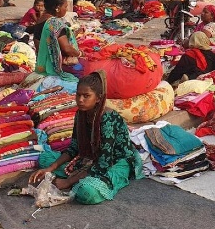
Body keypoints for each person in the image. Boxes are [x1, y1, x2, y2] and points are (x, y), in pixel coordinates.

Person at [30, 72, 143, 204]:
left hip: (115, 161)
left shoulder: (108, 118)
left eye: (86, 96)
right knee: (45, 159)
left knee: (86, 193)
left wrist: (68, 182)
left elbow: (104, 163)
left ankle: (79, 181)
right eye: (78, 95)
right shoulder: (81, 114)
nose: (80, 100)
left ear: (98, 98)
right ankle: (76, 177)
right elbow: (74, 147)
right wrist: (50, 168)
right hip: (89, 158)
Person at [35, 0, 83, 83]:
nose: (66, 9)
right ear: (57, 8)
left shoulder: (40, 20)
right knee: (84, 68)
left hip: (41, 64)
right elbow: (67, 48)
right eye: (65, 7)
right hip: (55, 66)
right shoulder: (55, 24)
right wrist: (80, 53)